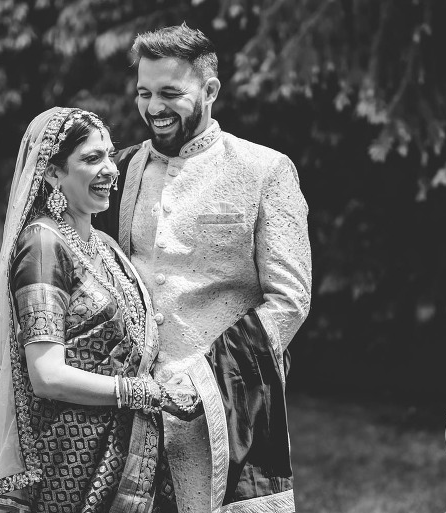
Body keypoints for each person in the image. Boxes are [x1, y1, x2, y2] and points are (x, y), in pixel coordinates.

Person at [94, 24, 312, 513]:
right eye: (144, 93)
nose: (154, 107)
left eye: (170, 93)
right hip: (129, 408)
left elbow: (290, 300)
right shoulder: (118, 171)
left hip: (226, 409)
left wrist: (206, 379)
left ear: (210, 90)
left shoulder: (264, 170)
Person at [0, 107, 199, 513]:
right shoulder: (43, 245)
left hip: (122, 448)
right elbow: (47, 376)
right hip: (71, 462)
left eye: (109, 155)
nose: (110, 169)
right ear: (53, 173)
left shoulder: (104, 247)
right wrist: (146, 393)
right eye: (92, 158)